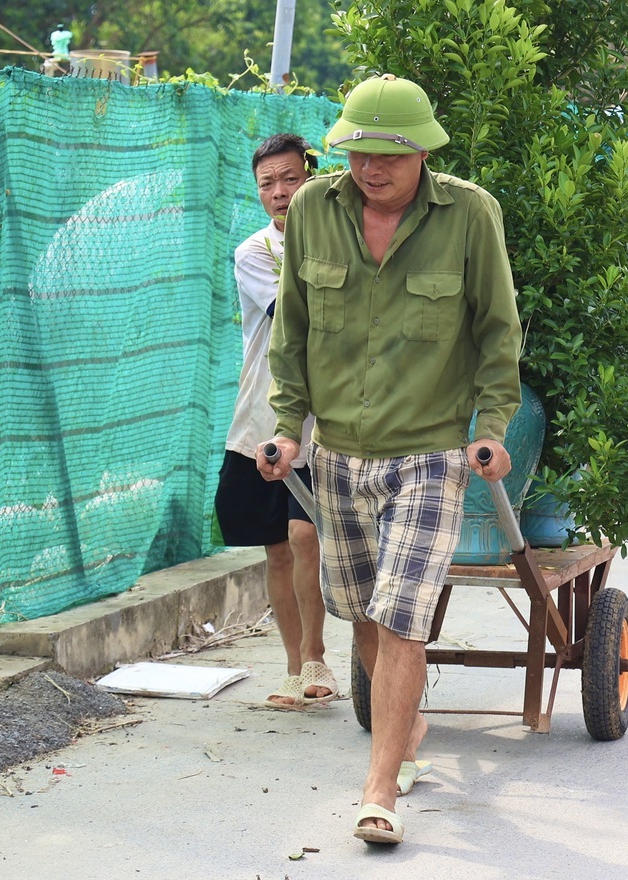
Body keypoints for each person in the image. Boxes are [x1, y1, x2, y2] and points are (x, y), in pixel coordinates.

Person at [263, 75, 522, 848]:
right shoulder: (313, 209)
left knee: (403, 617)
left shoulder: (469, 214)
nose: (371, 169)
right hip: (339, 455)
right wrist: (287, 429)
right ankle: (405, 725)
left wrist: (495, 426)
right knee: (363, 615)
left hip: (430, 454)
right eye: (358, 153)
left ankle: (379, 792)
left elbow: (498, 334)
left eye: (389, 156)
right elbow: (294, 334)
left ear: (422, 153)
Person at [218, 133, 335, 710]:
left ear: (312, 177)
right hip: (267, 415)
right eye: (268, 183)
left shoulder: (344, 242)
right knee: (278, 548)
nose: (280, 192)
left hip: (329, 423)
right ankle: (296, 667)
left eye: (290, 179)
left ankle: (317, 655)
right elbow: (296, 316)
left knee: (306, 533)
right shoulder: (255, 253)